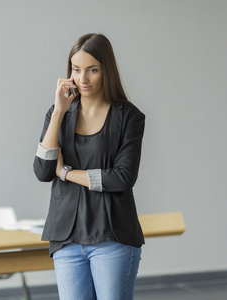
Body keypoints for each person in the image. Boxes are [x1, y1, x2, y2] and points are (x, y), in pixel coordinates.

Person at [33, 33, 145, 300]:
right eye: (76, 69)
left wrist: (67, 173)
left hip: (112, 237)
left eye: (92, 70)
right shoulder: (56, 114)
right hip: (66, 240)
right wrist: (60, 111)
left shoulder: (129, 117)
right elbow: (42, 171)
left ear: (107, 70)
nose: (83, 79)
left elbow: (122, 178)